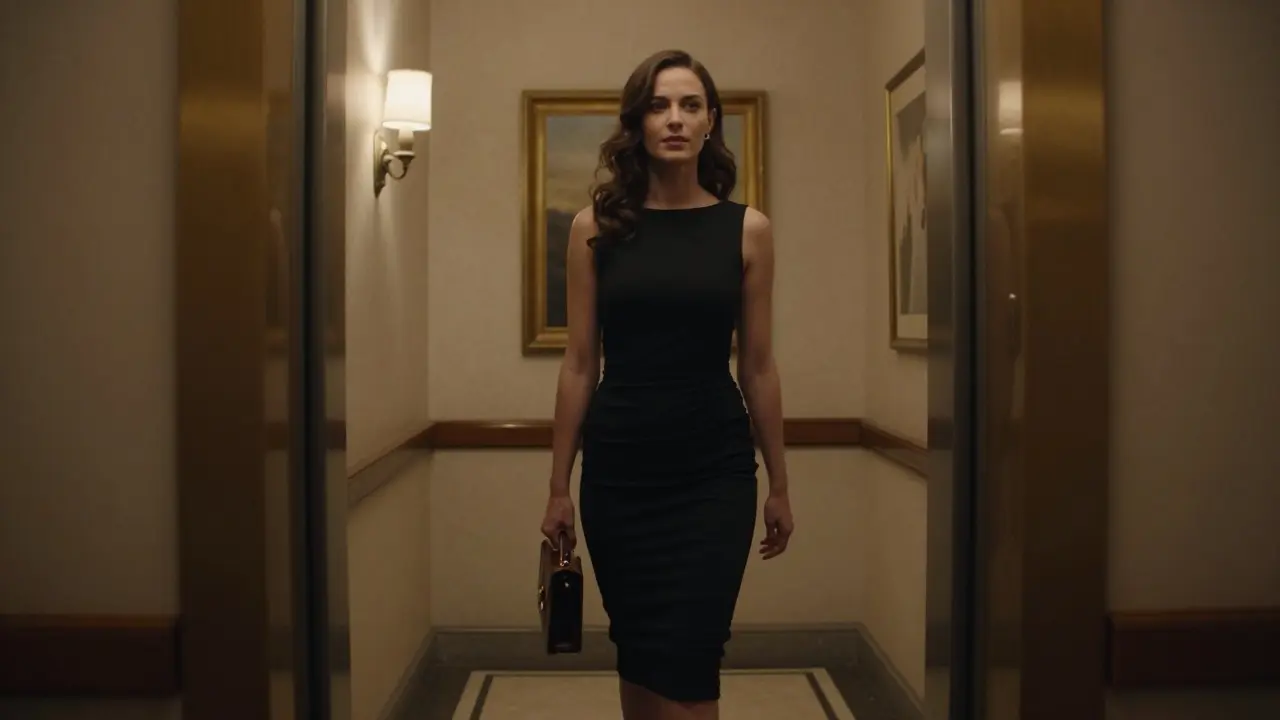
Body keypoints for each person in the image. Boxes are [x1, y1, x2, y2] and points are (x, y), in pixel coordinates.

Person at [539, 49, 795, 719]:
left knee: (690, 651)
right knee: (642, 649)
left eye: (689, 105)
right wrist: (557, 486)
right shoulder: (594, 228)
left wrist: (781, 482)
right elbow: (577, 364)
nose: (675, 119)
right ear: (638, 124)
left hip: (715, 470)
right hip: (621, 469)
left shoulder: (748, 230)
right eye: (658, 105)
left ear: (711, 121)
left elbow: (760, 367)